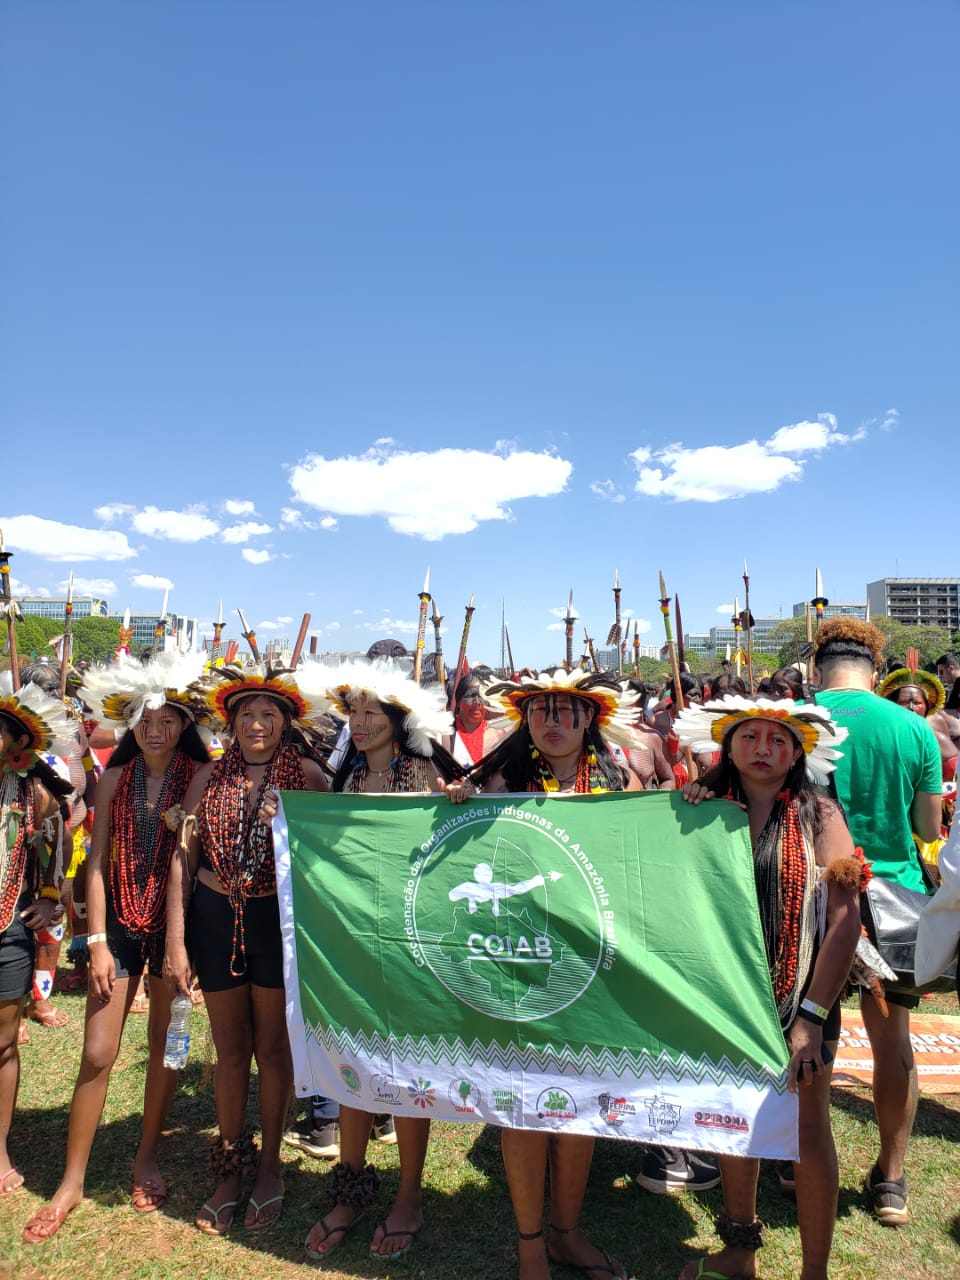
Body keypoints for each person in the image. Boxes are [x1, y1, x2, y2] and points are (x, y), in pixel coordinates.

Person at [22, 651, 209, 1244]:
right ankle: (71, 1180)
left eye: (167, 719)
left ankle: (146, 1157)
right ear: (131, 723)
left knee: (163, 1047)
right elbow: (95, 864)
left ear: (184, 724)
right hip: (120, 926)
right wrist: (97, 944)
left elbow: (187, 860)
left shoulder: (200, 778)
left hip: (175, 929)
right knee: (98, 1053)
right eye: (143, 719)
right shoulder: (114, 779)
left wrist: (181, 947)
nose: (155, 728)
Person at [676, 695, 861, 1280]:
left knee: (807, 1129)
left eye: (777, 739)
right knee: (731, 1119)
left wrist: (810, 1016)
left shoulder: (822, 817)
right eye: (749, 737)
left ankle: (814, 1272)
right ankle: (739, 1252)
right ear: (727, 747)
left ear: (798, 751)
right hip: (727, 996)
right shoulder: (704, 809)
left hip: (802, 994)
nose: (762, 749)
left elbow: (845, 921)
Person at [464, 669, 640, 1280]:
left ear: (590, 720)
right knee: (520, 1100)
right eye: (541, 711)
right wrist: (453, 805)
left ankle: (566, 1232)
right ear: (526, 720)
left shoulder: (621, 783)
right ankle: (531, 1242)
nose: (554, 722)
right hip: (514, 964)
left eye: (568, 711)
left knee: (578, 1101)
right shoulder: (496, 783)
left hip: (591, 969)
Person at [305, 659, 463, 1263]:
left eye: (374, 711)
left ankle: (408, 1194)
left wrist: (455, 798)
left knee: (407, 1074)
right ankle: (349, 1188)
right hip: (352, 943)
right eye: (354, 711)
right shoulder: (342, 781)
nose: (362, 721)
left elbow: (454, 839)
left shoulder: (423, 770)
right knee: (353, 1065)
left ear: (397, 719)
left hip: (413, 945)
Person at [165, 661, 331, 1235]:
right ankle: (230, 1165)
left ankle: (270, 1168)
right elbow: (183, 858)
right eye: (246, 715)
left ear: (287, 721)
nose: (257, 724)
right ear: (230, 722)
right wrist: (175, 937)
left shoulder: (308, 775)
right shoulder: (208, 776)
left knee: (273, 1048)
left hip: (275, 923)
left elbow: (340, 849)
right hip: (213, 920)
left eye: (269, 714)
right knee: (230, 1048)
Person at [812, 619, 941, 1226]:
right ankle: (891, 1178)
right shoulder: (914, 727)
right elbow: (928, 830)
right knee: (892, 1042)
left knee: (812, 1030)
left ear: (818, 666)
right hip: (896, 902)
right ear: (874, 666)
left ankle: (801, 1165)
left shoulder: (795, 717)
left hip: (812, 895)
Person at [0, 673, 74, 1199]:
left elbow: (59, 843)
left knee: (2, 1045)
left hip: (8, 931)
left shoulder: (36, 794)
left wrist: (49, 896)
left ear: (19, 743)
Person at [448, 671, 504, 767]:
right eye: (470, 696)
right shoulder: (446, 734)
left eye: (481, 697)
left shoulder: (498, 733)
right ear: (458, 702)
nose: (477, 702)